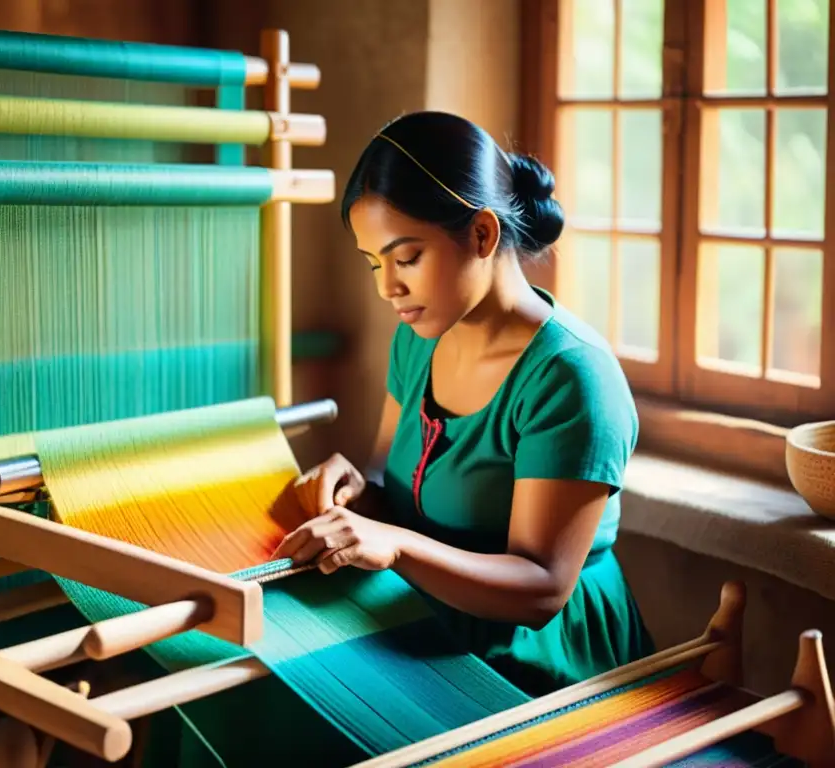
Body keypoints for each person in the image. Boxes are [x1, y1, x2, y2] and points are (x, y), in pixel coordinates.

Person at [273, 110, 654, 698]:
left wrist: (394, 545)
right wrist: (354, 489)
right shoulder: (419, 339)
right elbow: (387, 481)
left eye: (406, 258)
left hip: (539, 658)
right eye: (375, 263)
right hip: (425, 612)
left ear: (482, 234)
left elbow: (542, 589)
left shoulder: (572, 378)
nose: (386, 288)